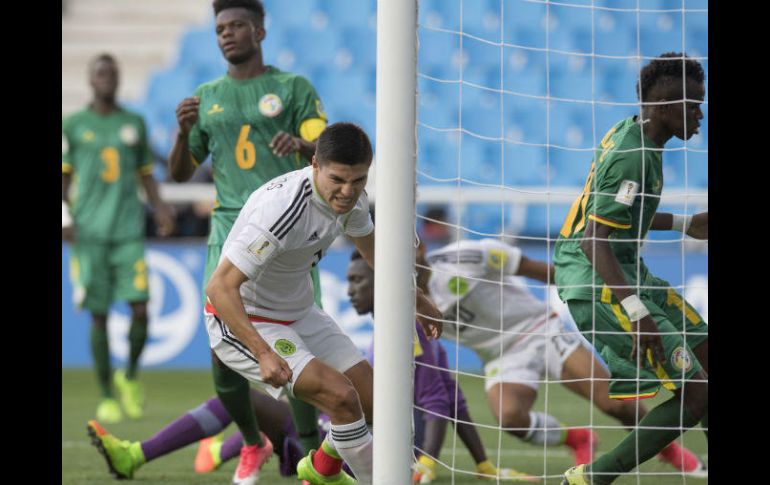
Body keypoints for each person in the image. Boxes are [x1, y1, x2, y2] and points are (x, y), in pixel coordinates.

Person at [203, 121, 444, 485]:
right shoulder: (282, 211)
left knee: (377, 403)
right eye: (338, 180)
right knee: (341, 398)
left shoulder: (353, 200)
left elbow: (374, 253)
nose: (348, 191)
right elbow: (219, 288)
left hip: (299, 313)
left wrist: (418, 299)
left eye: (358, 180)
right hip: (246, 320)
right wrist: (263, 352)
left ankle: (321, 469)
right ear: (315, 164)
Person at [167, 0, 329, 481]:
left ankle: (307, 454)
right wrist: (182, 134)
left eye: (237, 25)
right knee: (222, 360)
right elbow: (181, 172)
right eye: (220, 28)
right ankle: (254, 442)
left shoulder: (292, 88)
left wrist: (302, 146)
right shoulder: (207, 96)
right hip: (227, 234)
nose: (227, 34)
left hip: (286, 233)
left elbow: (325, 146)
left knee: (298, 346)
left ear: (259, 30)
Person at [421, 238, 705, 476]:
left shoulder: (463, 257)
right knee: (509, 417)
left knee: (613, 403)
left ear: (419, 249)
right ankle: (579, 438)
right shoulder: (403, 303)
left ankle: (669, 450)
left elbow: (535, 269)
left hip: (540, 328)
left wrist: (587, 292)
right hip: (500, 356)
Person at [554, 52, 708, 484]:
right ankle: (593, 477)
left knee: (706, 356)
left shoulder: (635, 134)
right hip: (598, 280)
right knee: (697, 393)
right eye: (693, 104)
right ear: (664, 107)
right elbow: (593, 240)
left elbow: (617, 215)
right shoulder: (634, 157)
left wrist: (684, 224)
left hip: (621, 268)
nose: (700, 115)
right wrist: (637, 314)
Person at [347, 249, 537, 483]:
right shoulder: (399, 326)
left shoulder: (409, 330)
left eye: (357, 280)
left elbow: (437, 399)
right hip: (391, 433)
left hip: (402, 442)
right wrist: (483, 464)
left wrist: (427, 463)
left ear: (382, 281)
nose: (349, 291)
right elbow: (452, 394)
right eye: (349, 281)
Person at [62, 53, 175, 424]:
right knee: (98, 316)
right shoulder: (74, 125)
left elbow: (146, 174)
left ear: (119, 78)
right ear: (90, 79)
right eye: (100, 73)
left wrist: (160, 208)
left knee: (140, 307)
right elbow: (63, 181)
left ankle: (129, 375)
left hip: (128, 231)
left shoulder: (134, 123)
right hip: (90, 234)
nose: (106, 79)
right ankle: (106, 394)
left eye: (112, 73)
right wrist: (65, 219)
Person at [86, 389, 306, 479]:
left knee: (241, 395)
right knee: (239, 395)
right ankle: (218, 453)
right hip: (316, 434)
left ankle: (135, 456)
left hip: (329, 446)